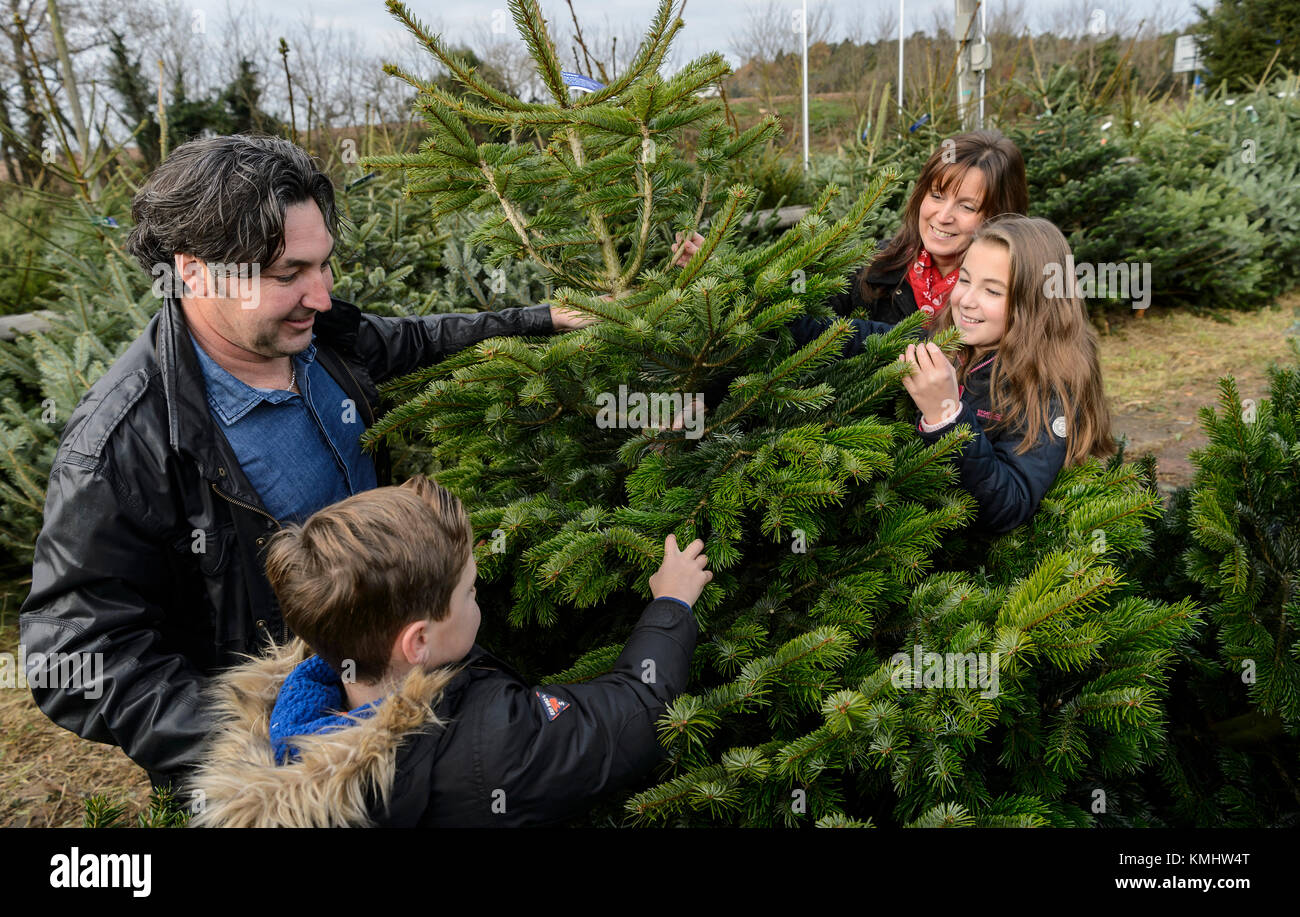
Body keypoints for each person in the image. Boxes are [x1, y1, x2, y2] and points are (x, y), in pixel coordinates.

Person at [19, 134, 591, 790]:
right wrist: (263, 751)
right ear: (195, 271)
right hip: (307, 767)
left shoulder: (324, 342)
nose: (320, 296)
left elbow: (418, 337)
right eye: (289, 273)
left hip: (403, 686)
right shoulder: (124, 444)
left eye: (323, 266)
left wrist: (539, 318)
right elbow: (74, 652)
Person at [186, 476, 710, 827]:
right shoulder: (486, 751)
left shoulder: (299, 710)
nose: (477, 601)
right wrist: (671, 603)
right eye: (470, 592)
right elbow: (636, 712)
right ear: (417, 642)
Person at [788, 215, 1115, 534]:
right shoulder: (950, 342)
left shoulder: (1048, 392)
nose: (967, 300)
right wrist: (783, 317)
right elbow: (866, 338)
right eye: (966, 279)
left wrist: (946, 415)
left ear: (1036, 305)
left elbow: (1009, 504)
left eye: (993, 291)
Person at [673, 129, 1027, 324]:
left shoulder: (1013, 297)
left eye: (966, 206)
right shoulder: (880, 266)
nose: (943, 216)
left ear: (998, 215)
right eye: (936, 195)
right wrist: (723, 272)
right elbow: (802, 302)